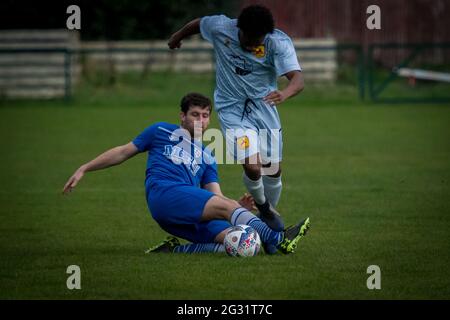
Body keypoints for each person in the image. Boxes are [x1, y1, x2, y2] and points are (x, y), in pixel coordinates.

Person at [62, 92, 310, 254]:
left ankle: (172, 251)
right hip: (166, 195)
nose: (201, 121)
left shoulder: (208, 156)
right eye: (195, 115)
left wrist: (236, 205)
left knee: (239, 242)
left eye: (205, 116)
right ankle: (278, 239)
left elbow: (216, 197)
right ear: (182, 116)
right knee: (238, 222)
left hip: (186, 212)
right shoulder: (160, 131)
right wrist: (84, 167)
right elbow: (122, 152)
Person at [168, 5, 305, 242]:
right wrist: (177, 37)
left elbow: (298, 79)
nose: (253, 45)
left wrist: (285, 93)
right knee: (253, 166)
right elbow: (199, 22)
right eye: (249, 39)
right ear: (238, 29)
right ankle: (263, 209)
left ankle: (266, 223)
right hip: (232, 110)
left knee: (273, 168)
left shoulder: (278, 42)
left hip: (265, 109)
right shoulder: (222, 27)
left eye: (258, 41)